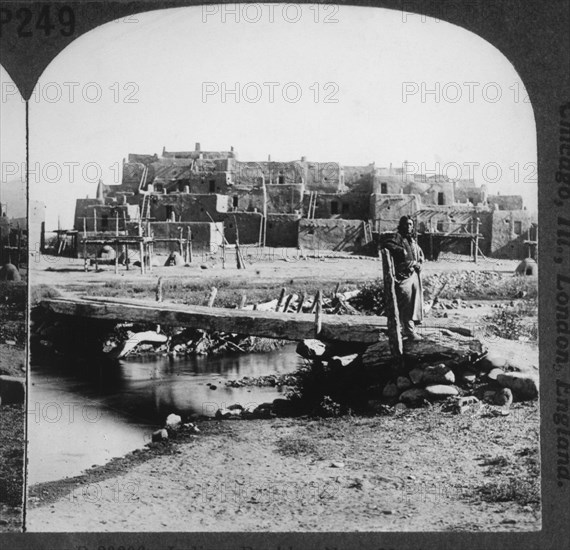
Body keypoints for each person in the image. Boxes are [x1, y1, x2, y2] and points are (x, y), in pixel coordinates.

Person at [381, 216, 425, 341]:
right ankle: (407, 331)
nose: (409, 227)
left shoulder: (412, 239)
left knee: (414, 303)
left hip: (414, 275)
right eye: (406, 224)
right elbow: (386, 244)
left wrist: (419, 260)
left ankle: (409, 329)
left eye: (411, 224)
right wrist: (402, 251)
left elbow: (419, 253)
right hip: (403, 276)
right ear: (401, 225)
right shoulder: (397, 237)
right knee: (406, 303)